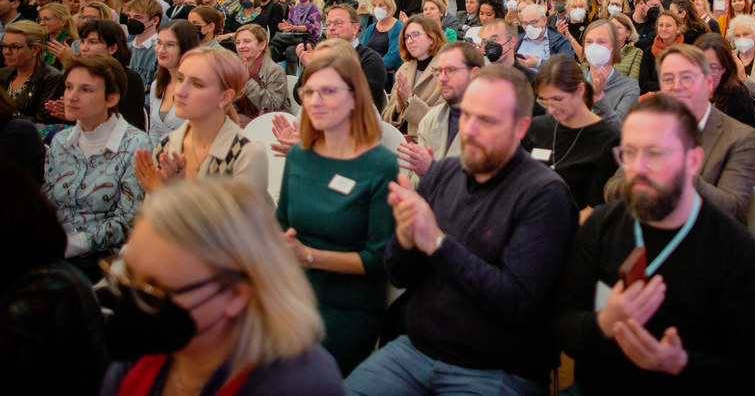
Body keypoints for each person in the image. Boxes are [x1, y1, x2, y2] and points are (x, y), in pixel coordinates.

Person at [344, 65, 577, 396]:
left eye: (488, 121)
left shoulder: (544, 195)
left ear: (521, 127)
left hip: (495, 370)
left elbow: (515, 303)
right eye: (466, 116)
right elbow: (399, 275)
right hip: (415, 352)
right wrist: (407, 239)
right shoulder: (443, 173)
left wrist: (437, 244)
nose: (469, 130)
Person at [554, 94, 755, 395]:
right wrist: (604, 324)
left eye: (656, 154)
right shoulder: (600, 227)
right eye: (629, 154)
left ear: (693, 161)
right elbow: (562, 321)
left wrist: (680, 364)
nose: (639, 169)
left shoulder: (737, 253)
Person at [99, 178, 346, 395]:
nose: (132, 302)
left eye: (154, 290)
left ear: (236, 294)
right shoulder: (139, 355)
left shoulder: (300, 384)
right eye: (127, 275)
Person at [275, 51, 398, 374]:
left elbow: (379, 259)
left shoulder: (381, 165)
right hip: (290, 294)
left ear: (356, 99)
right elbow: (281, 226)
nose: (314, 101)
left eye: (328, 92)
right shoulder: (299, 156)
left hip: (347, 306)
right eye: (308, 92)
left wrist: (309, 257)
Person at [605, 44, 755, 221]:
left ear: (709, 83)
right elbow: (612, 190)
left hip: (706, 235)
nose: (676, 86)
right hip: (645, 226)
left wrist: (678, 171)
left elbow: (732, 208)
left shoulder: (740, 138)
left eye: (686, 78)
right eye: (668, 79)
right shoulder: (649, 128)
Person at [1, 163, 110, 395]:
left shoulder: (51, 287)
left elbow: (123, 220)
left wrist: (76, 245)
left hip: (87, 256)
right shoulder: (61, 144)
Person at [43, 56, 151, 281]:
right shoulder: (61, 141)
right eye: (69, 87)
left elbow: (128, 222)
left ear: (111, 98)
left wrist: (72, 245)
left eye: (86, 90)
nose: (71, 97)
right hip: (53, 245)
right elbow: (48, 200)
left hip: (101, 257)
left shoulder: (134, 144)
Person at [134, 48, 268, 196]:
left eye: (197, 84)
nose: (179, 91)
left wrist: (172, 194)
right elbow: (153, 218)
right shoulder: (166, 147)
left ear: (224, 97)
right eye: (180, 79)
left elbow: (239, 218)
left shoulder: (246, 153)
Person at [523, 54, 618, 217]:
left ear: (580, 90)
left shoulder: (608, 140)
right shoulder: (536, 127)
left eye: (558, 99)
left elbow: (594, 209)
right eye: (545, 100)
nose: (551, 109)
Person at [396, 41, 484, 182]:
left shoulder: (495, 123)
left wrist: (431, 171)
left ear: (474, 74)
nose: (442, 78)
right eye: (439, 71)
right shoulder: (430, 119)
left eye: (450, 70)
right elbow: (415, 182)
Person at [299, 3, 387, 111]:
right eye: (328, 24)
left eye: (338, 23)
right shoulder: (321, 55)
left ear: (355, 28)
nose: (331, 28)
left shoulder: (371, 59)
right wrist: (311, 68)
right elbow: (299, 96)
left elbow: (364, 100)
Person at [381, 16, 445, 137]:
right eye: (406, 37)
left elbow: (442, 121)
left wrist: (410, 99)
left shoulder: (446, 70)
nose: (409, 41)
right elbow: (385, 119)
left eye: (415, 34)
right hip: (400, 140)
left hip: (427, 143)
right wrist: (398, 107)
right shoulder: (404, 69)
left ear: (431, 38)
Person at [147, 19, 200, 144]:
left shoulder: (199, 88)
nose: (160, 50)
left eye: (170, 44)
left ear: (185, 48)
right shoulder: (157, 85)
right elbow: (154, 132)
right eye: (158, 42)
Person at [0, 20, 64, 124]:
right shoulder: (2, 74)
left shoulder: (51, 78)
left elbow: (43, 122)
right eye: (4, 46)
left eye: (15, 47)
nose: (6, 52)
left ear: (35, 49)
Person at [581, 19, 640, 128]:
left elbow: (619, 127)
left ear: (615, 46)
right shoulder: (574, 80)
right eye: (589, 41)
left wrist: (599, 99)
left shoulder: (629, 87)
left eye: (601, 42)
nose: (594, 47)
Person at [696, 33, 755, 131]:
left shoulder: (738, 97)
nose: (706, 74)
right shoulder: (684, 94)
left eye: (714, 68)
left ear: (725, 68)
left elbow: (748, 140)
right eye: (701, 66)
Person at [233, 23, 289, 125]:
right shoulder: (234, 67)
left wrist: (247, 81)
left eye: (247, 41)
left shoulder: (275, 70)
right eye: (238, 42)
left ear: (262, 45)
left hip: (272, 124)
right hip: (241, 119)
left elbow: (271, 107)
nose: (241, 46)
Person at [269, 0, 321, 72]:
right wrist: (286, 27)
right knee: (273, 49)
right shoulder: (294, 9)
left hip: (307, 39)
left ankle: (291, 77)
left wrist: (293, 27)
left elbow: (308, 27)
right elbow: (290, 22)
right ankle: (273, 72)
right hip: (292, 38)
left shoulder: (314, 9)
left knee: (283, 45)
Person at [639, 11, 689, 93]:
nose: (663, 29)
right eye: (660, 25)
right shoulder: (649, 51)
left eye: (668, 25)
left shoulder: (687, 52)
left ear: (678, 29)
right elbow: (644, 83)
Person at [516, 2, 573, 71]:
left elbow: (566, 67)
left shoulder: (560, 41)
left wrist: (539, 63)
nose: (529, 27)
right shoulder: (517, 39)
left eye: (533, 22)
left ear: (544, 20)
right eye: (525, 24)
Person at [124, 0, 162, 91]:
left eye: (138, 17)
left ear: (155, 20)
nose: (132, 21)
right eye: (129, 16)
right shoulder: (126, 48)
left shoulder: (161, 50)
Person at [361, 0, 404, 73]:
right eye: (374, 5)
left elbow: (392, 58)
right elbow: (362, 51)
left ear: (389, 6)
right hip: (369, 71)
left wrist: (368, 65)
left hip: (388, 75)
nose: (377, 8)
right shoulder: (371, 27)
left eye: (381, 5)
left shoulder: (398, 28)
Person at [37, 2, 78, 71]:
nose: (42, 23)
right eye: (40, 19)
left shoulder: (71, 44)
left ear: (62, 22)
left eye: (47, 19)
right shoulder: (41, 41)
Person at [610, 13, 643, 81]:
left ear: (628, 32)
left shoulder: (636, 53)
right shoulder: (598, 50)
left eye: (618, 27)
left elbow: (633, 82)